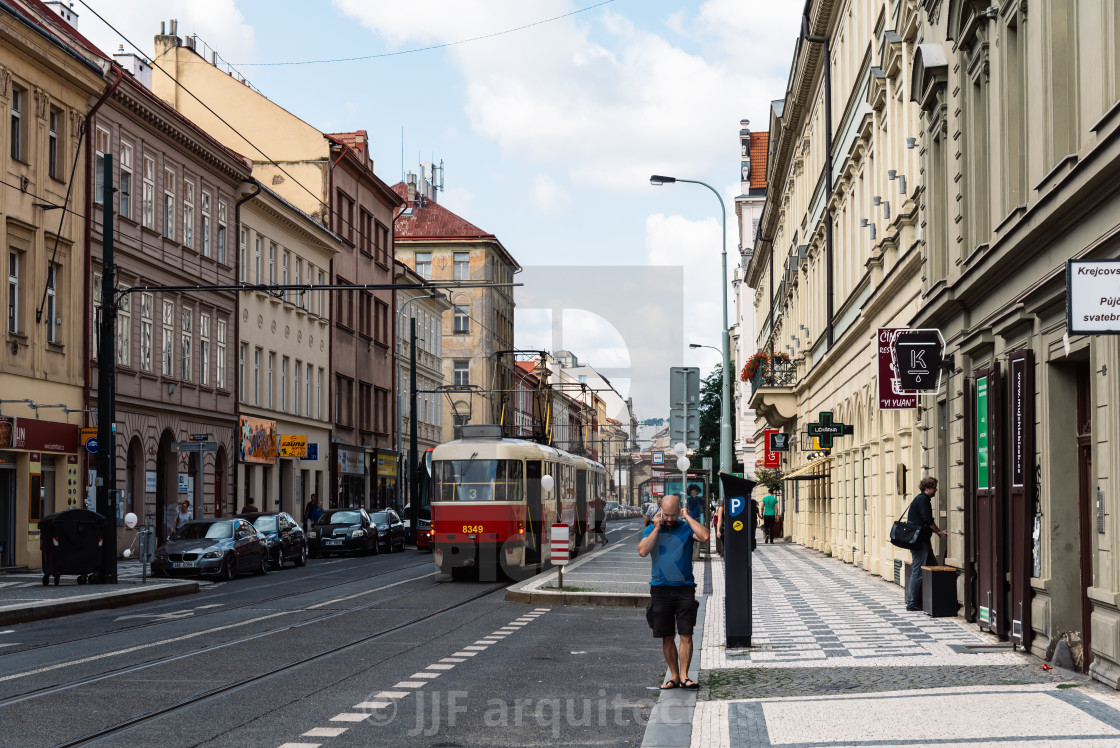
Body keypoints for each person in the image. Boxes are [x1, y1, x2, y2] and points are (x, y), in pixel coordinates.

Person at [638, 493, 710, 690]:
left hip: (684, 589)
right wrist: (657, 528)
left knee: (686, 633)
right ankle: (674, 676)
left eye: (673, 515)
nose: (669, 519)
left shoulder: (686, 528)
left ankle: (686, 676)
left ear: (679, 511)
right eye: (666, 515)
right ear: (661, 512)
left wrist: (687, 517)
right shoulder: (653, 529)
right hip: (660, 590)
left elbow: (704, 536)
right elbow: (643, 551)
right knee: (667, 635)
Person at [906, 477, 947, 611]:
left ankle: (935, 599)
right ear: (927, 488)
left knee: (933, 567)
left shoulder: (920, 498)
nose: (936, 490)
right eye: (934, 487)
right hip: (920, 542)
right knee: (918, 571)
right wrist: (939, 532)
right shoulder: (923, 499)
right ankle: (912, 602)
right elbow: (927, 520)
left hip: (923, 541)